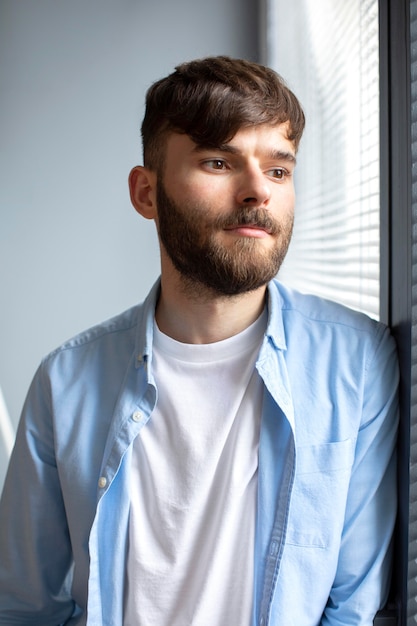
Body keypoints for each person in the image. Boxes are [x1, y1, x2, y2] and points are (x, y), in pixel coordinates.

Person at [0, 56, 398, 626]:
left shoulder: (357, 364)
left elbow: (354, 609)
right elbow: (23, 609)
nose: (258, 190)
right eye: (218, 161)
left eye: (279, 171)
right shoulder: (65, 382)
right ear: (146, 193)